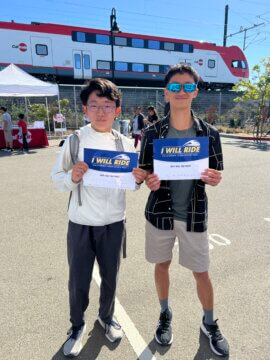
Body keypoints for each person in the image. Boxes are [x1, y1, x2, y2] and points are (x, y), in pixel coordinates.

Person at [51, 78, 146, 358]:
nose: (101, 111)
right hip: (80, 223)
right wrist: (72, 176)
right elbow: (57, 179)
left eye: (107, 105)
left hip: (114, 222)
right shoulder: (75, 140)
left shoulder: (126, 143)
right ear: (85, 109)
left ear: (117, 110)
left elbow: (133, 183)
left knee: (111, 277)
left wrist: (138, 179)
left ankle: (106, 317)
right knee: (78, 280)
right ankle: (77, 326)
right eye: (95, 105)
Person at [139, 64, 229, 357]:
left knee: (201, 272)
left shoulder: (209, 134)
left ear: (196, 92)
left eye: (188, 86)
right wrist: (148, 180)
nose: (181, 91)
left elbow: (216, 173)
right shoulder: (151, 133)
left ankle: (209, 322)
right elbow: (143, 173)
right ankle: (165, 314)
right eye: (175, 86)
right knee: (161, 265)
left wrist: (215, 179)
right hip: (159, 214)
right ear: (166, 92)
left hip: (193, 215)